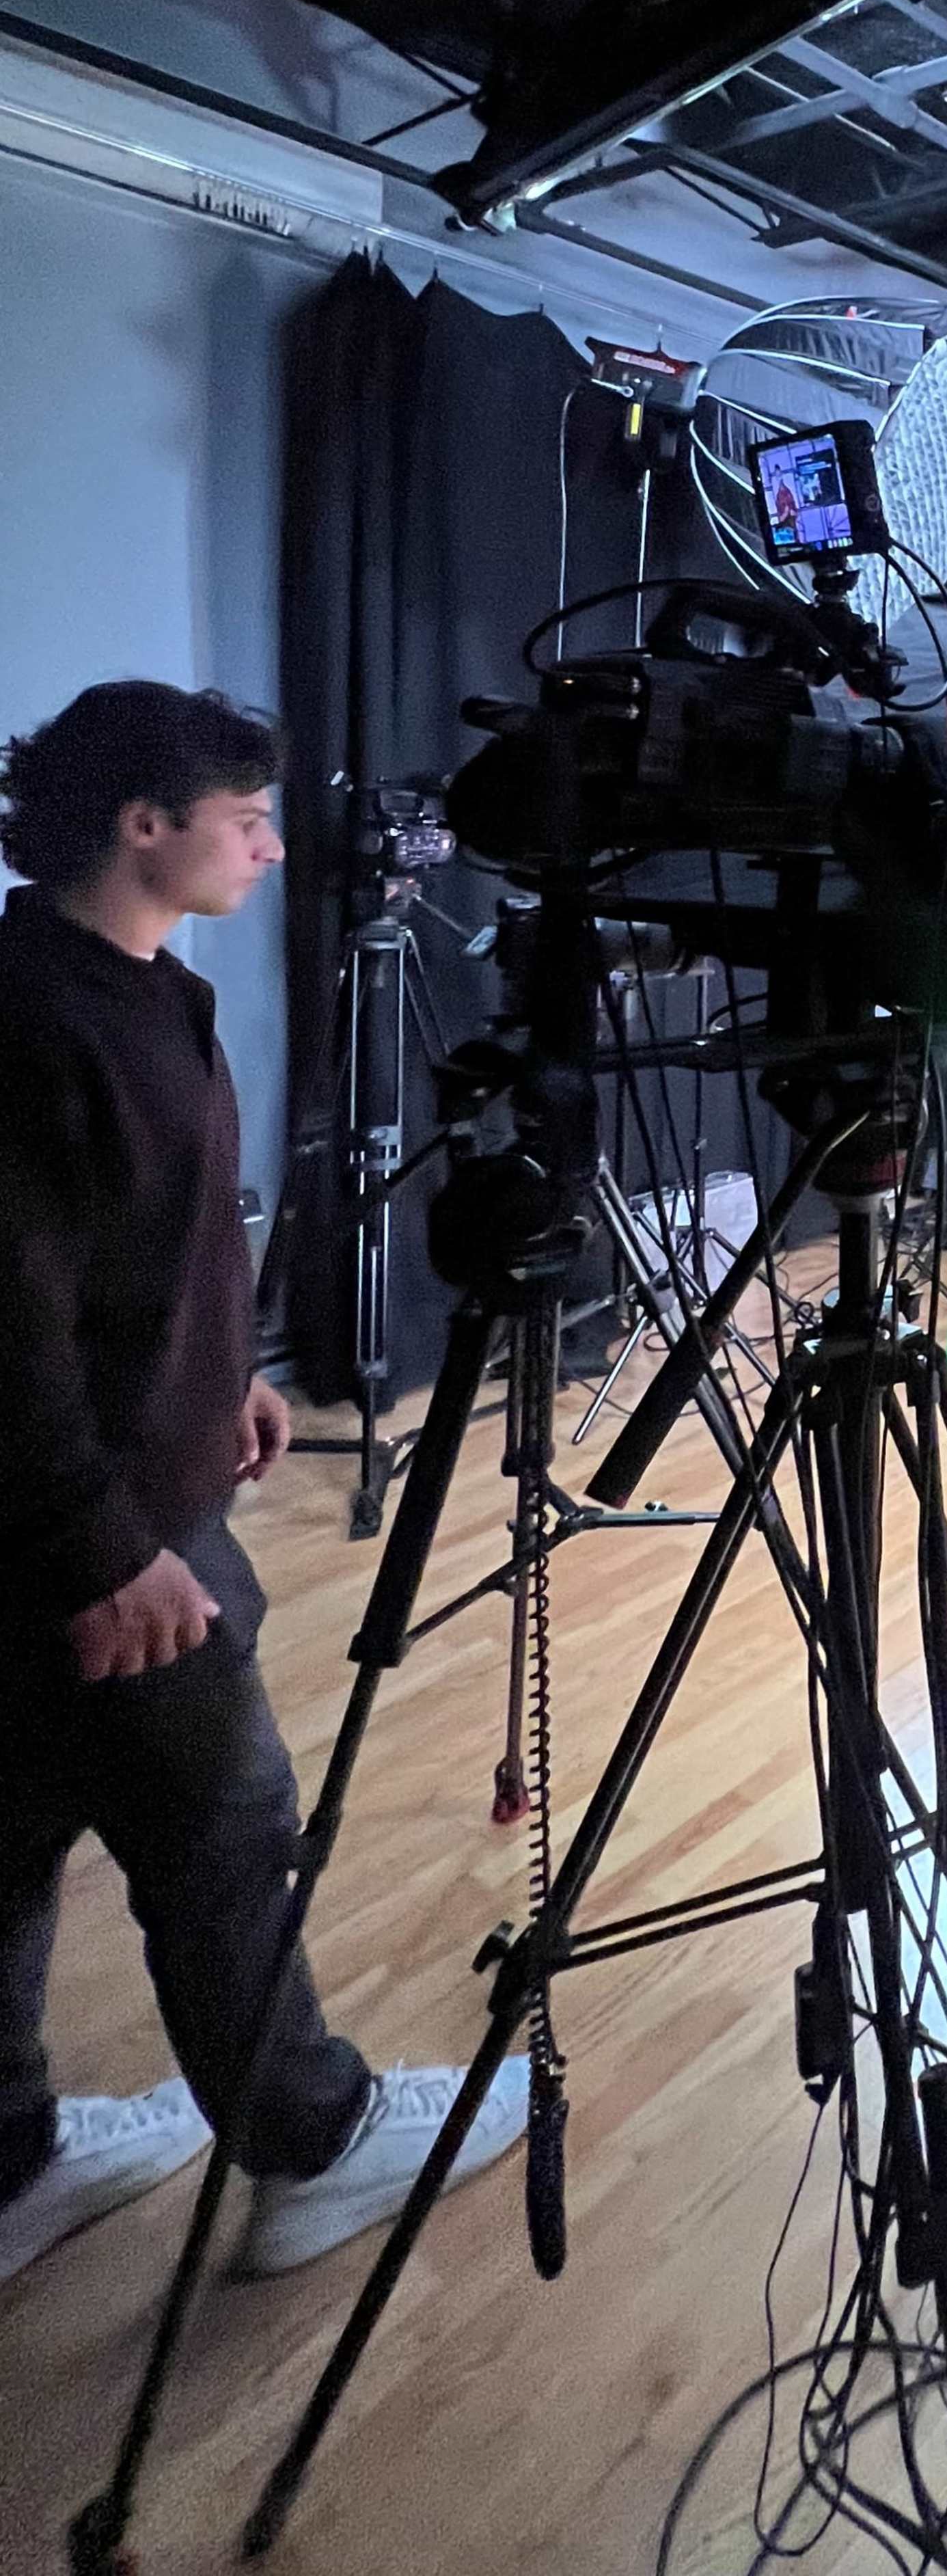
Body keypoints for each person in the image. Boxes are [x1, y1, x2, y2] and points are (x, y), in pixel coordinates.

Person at [0, 680, 526, 2288]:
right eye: (246, 819)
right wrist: (104, 1552)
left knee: (13, 1831)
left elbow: (130, 1252)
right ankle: (313, 2144)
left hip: (122, 1498)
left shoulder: (145, 989)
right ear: (144, 825)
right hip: (103, 1542)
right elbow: (5, 1330)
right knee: (225, 1836)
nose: (275, 846)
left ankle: (7, 2156)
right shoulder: (31, 1023)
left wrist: (222, 1376)